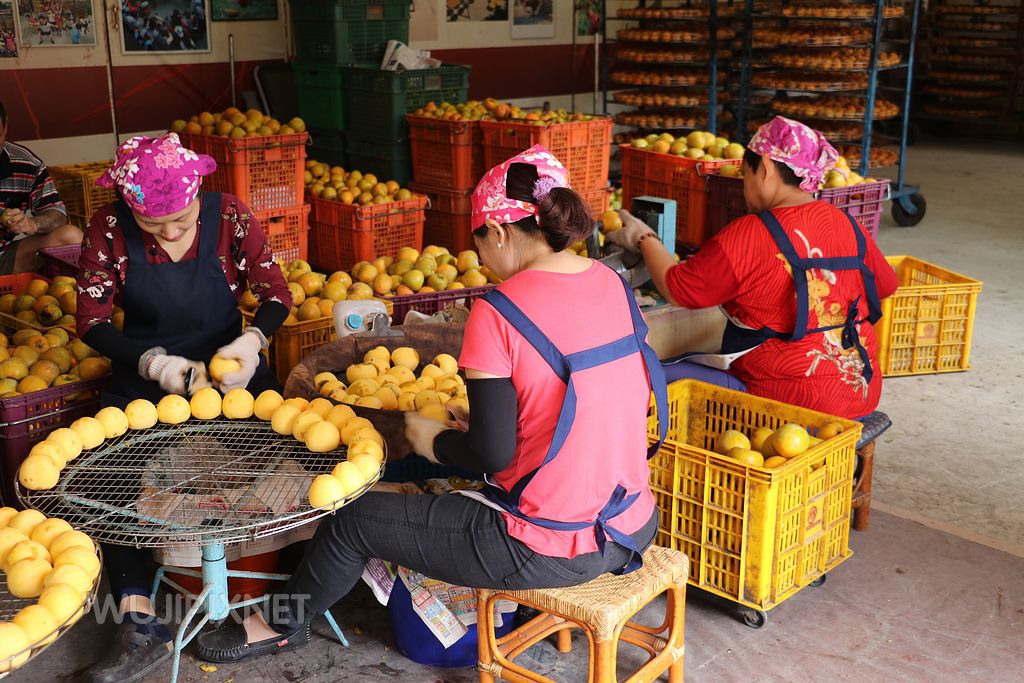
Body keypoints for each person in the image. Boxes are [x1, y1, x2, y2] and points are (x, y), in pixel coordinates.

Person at [191, 145, 668, 663]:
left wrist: (430, 439)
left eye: (479, 241)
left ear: (502, 233)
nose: (481, 256)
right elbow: (590, 395)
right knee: (437, 481)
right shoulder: (611, 283)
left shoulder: (499, 311)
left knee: (354, 518)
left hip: (550, 546)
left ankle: (280, 626)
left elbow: (490, 453)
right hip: (632, 521)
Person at [76, 132, 292, 683]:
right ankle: (137, 618)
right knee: (109, 478)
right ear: (129, 208)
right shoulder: (106, 229)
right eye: (155, 225)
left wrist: (252, 344)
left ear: (200, 193)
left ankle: (250, 600)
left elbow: (275, 295)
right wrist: (155, 366)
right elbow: (93, 323)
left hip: (231, 373)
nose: (171, 233)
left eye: (183, 219)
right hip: (149, 374)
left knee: (270, 470)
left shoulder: (232, 218)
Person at [607, 116, 899, 419]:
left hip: (787, 403)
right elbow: (886, 286)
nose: (745, 188)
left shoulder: (753, 232)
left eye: (746, 174)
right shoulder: (848, 224)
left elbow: (680, 289)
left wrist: (644, 237)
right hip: (860, 392)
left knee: (653, 371)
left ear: (767, 168)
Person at [0, 101, 82, 274]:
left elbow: (57, 214)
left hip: (5, 257)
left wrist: (32, 224)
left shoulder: (26, 164)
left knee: (70, 237)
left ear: (6, 126)